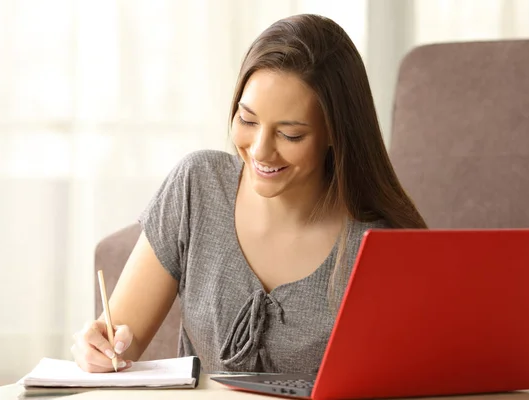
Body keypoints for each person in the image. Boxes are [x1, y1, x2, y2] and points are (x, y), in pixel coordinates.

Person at [71, 13, 427, 374]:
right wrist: (97, 349)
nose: (259, 151)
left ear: (336, 133)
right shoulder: (198, 186)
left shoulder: (379, 246)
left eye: (290, 135)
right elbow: (117, 343)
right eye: (247, 119)